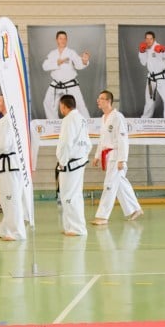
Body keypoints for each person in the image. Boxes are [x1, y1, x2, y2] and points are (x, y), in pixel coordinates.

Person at [91, 90, 143, 225]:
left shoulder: (117, 117)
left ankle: (102, 216)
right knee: (120, 184)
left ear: (108, 101)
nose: (98, 100)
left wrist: (122, 159)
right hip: (107, 155)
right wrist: (97, 156)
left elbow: (123, 139)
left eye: (101, 98)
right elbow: (102, 139)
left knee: (109, 185)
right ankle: (135, 209)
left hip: (116, 156)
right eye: (98, 98)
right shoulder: (104, 118)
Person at [0, 96, 26, 240]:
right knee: (5, 199)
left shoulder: (8, 121)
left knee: (11, 198)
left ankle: (17, 232)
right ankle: (4, 228)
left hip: (10, 164)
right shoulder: (2, 121)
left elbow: (0, 146)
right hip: (6, 165)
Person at [56, 94, 92, 236]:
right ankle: (71, 226)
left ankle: (76, 228)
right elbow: (88, 142)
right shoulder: (81, 119)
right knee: (74, 195)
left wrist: (62, 162)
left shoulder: (68, 119)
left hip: (70, 163)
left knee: (69, 196)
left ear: (64, 106)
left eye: (60, 107)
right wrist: (84, 157)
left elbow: (66, 143)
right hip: (79, 161)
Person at [42, 31, 91, 119]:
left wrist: (84, 61)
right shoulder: (52, 54)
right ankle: (54, 124)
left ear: (67, 40)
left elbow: (79, 64)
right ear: (57, 40)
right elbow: (45, 66)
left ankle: (87, 125)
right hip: (56, 84)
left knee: (80, 105)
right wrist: (57, 62)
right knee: (48, 102)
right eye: (61, 38)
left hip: (70, 84)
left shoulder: (71, 53)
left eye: (65, 38)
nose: (63, 40)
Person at [139, 31, 165, 119]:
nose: (148, 41)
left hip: (161, 78)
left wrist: (164, 49)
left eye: (150, 39)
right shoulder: (145, 49)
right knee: (149, 101)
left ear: (154, 39)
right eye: (147, 39)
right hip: (151, 79)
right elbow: (143, 62)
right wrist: (141, 51)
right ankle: (146, 119)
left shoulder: (158, 47)